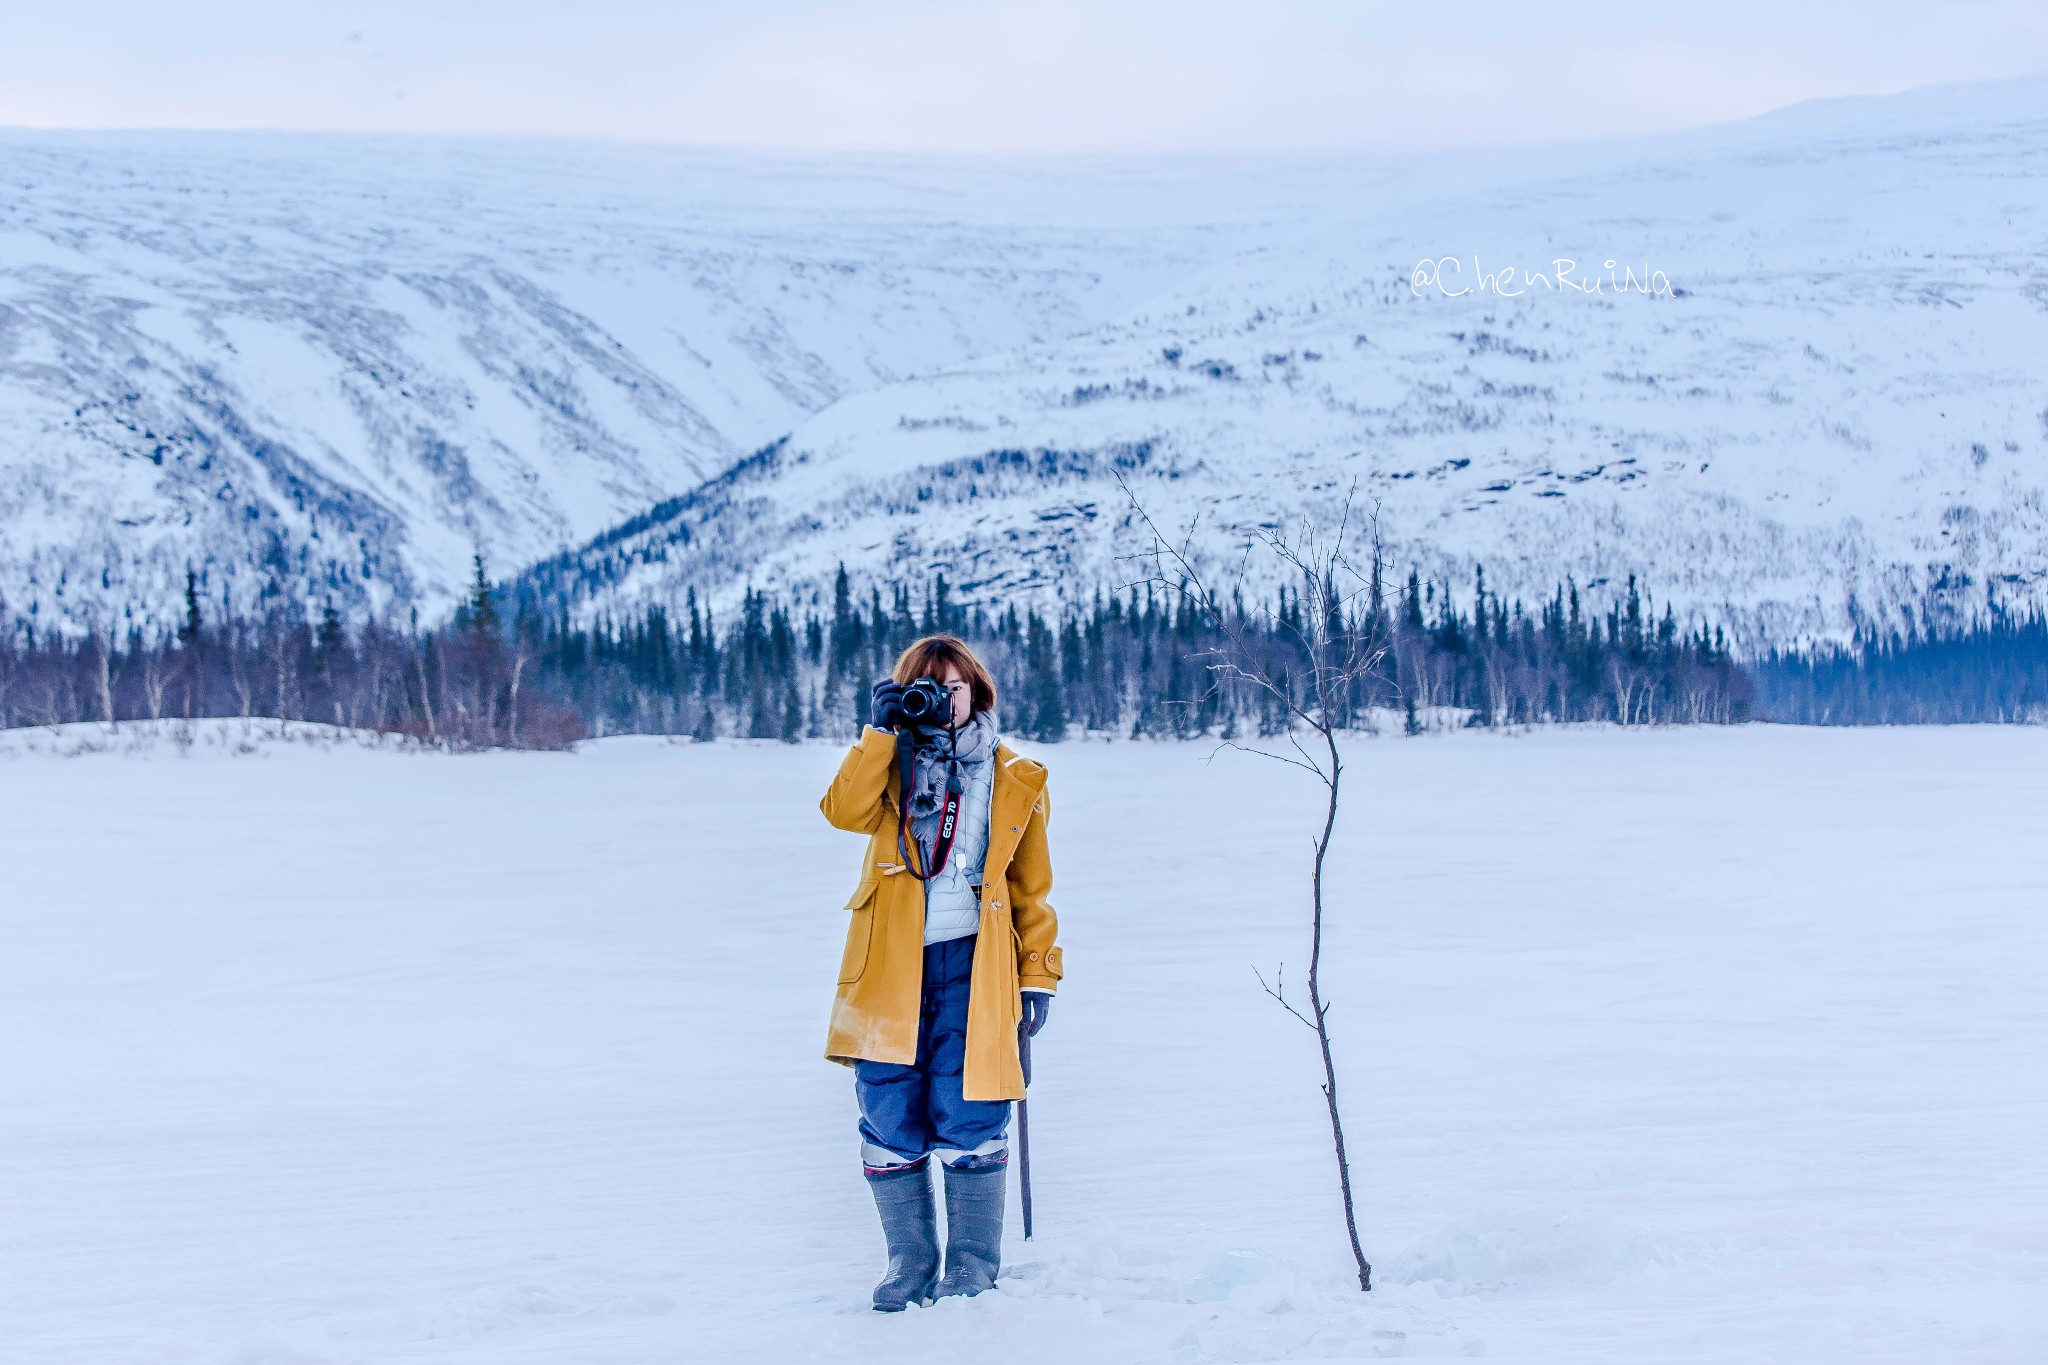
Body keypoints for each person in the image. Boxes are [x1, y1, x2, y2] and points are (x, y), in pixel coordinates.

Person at [818, 633, 1063, 1311]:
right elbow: (843, 812)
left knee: (970, 1105)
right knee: (887, 1107)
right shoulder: (887, 765)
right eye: (927, 686)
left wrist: (1038, 976)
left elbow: (1030, 891)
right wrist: (878, 733)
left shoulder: (1017, 777)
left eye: (953, 686)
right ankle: (910, 1262)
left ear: (976, 691)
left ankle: (973, 1264)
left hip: (975, 964)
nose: (942, 699)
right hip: (887, 966)